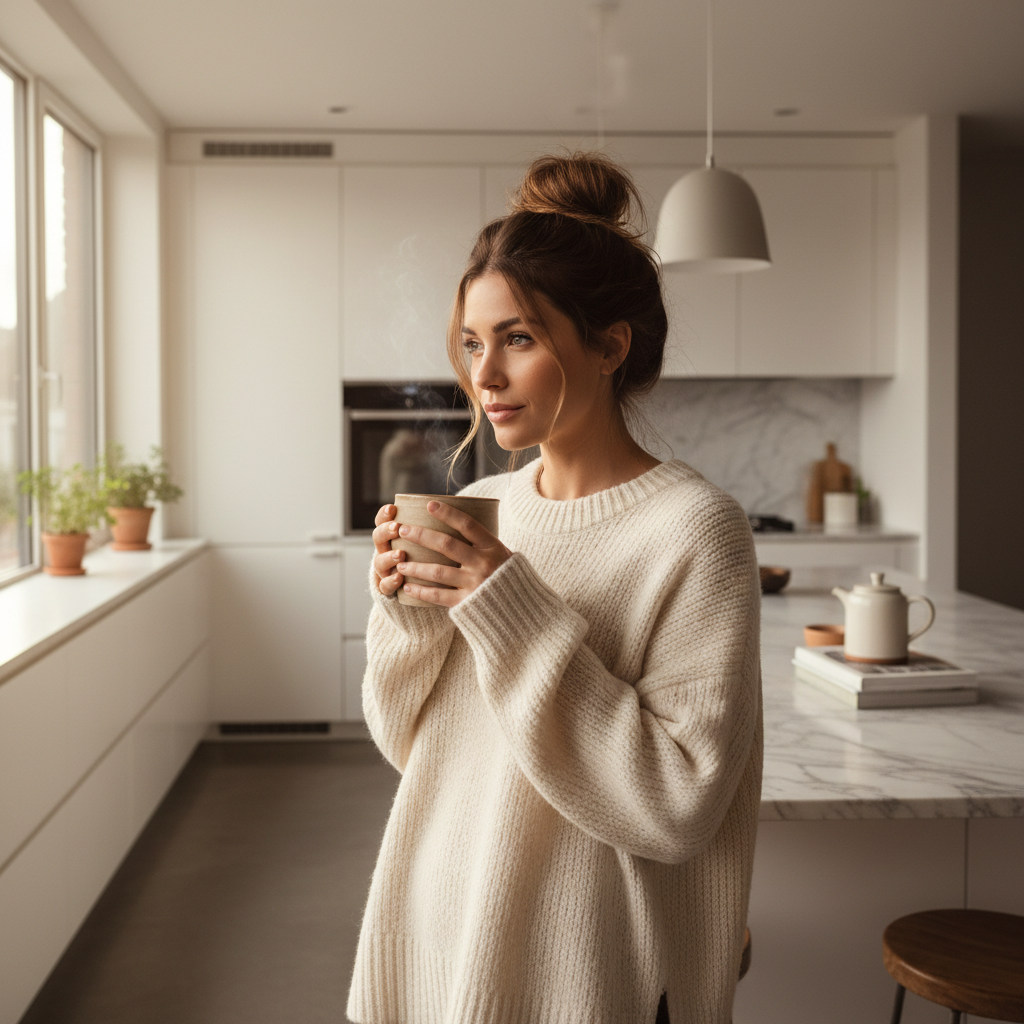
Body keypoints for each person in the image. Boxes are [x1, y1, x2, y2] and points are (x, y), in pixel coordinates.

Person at [347, 153, 762, 1024]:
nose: (484, 376)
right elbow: (415, 750)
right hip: (437, 919)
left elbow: (677, 805)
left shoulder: (694, 529)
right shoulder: (483, 507)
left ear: (609, 346)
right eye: (472, 342)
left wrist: (507, 609)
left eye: (519, 339)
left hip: (578, 963)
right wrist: (405, 619)